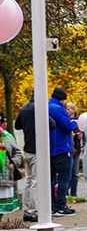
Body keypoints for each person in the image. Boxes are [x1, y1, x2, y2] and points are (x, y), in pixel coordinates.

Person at [13, 92, 55, 223]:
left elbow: (17, 125)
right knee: (36, 182)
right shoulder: (40, 109)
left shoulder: (24, 109)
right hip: (38, 149)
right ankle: (34, 211)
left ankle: (27, 210)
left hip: (27, 149)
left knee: (28, 181)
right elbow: (52, 124)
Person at [48, 88, 78, 217]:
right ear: (63, 99)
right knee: (64, 178)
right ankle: (60, 205)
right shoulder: (58, 108)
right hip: (61, 148)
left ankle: (52, 205)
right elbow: (66, 126)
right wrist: (74, 124)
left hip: (50, 149)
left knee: (51, 179)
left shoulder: (47, 106)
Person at [0, 126, 22, 214]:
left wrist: (13, 163)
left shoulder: (7, 136)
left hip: (6, 174)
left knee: (2, 207)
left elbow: (17, 152)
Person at [66, 102, 82, 198]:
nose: (67, 111)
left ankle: (74, 192)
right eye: (66, 109)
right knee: (68, 171)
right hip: (68, 149)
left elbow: (84, 133)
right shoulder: (65, 120)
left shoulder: (79, 120)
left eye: (69, 109)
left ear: (73, 110)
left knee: (75, 173)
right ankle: (66, 192)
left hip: (77, 147)